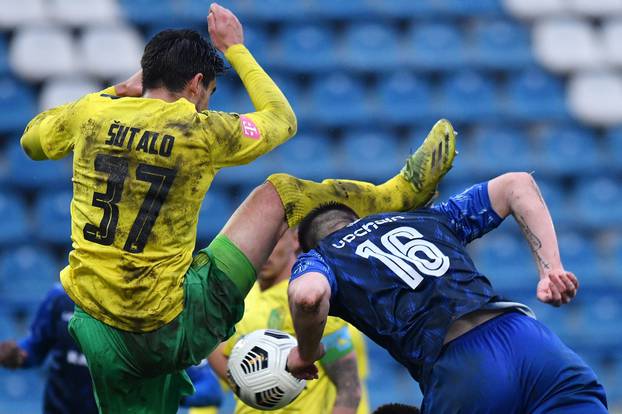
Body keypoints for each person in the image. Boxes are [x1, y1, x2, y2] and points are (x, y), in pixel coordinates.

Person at [19, 3, 456, 413]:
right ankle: (398, 195)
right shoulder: (200, 129)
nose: (206, 101)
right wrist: (236, 49)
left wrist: (118, 90)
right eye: (207, 92)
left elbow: (32, 141)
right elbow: (282, 120)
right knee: (280, 192)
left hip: (100, 332)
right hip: (175, 320)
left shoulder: (93, 112)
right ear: (194, 85)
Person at [286, 172, 608, 413]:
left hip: (462, 370)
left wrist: (306, 350)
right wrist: (550, 269)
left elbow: (308, 295)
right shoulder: (424, 218)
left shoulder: (322, 256)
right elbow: (517, 184)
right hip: (529, 341)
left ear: (303, 247)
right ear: (357, 218)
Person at [209, 229, 369, 414]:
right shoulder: (241, 297)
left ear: (295, 239)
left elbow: (349, 389)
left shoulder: (310, 298)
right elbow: (234, 374)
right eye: (257, 240)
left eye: (273, 240)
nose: (264, 250)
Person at [0, 284, 223, 414]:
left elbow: (210, 388)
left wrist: (167, 394)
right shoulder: (61, 298)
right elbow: (35, 349)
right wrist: (17, 355)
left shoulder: (155, 313)